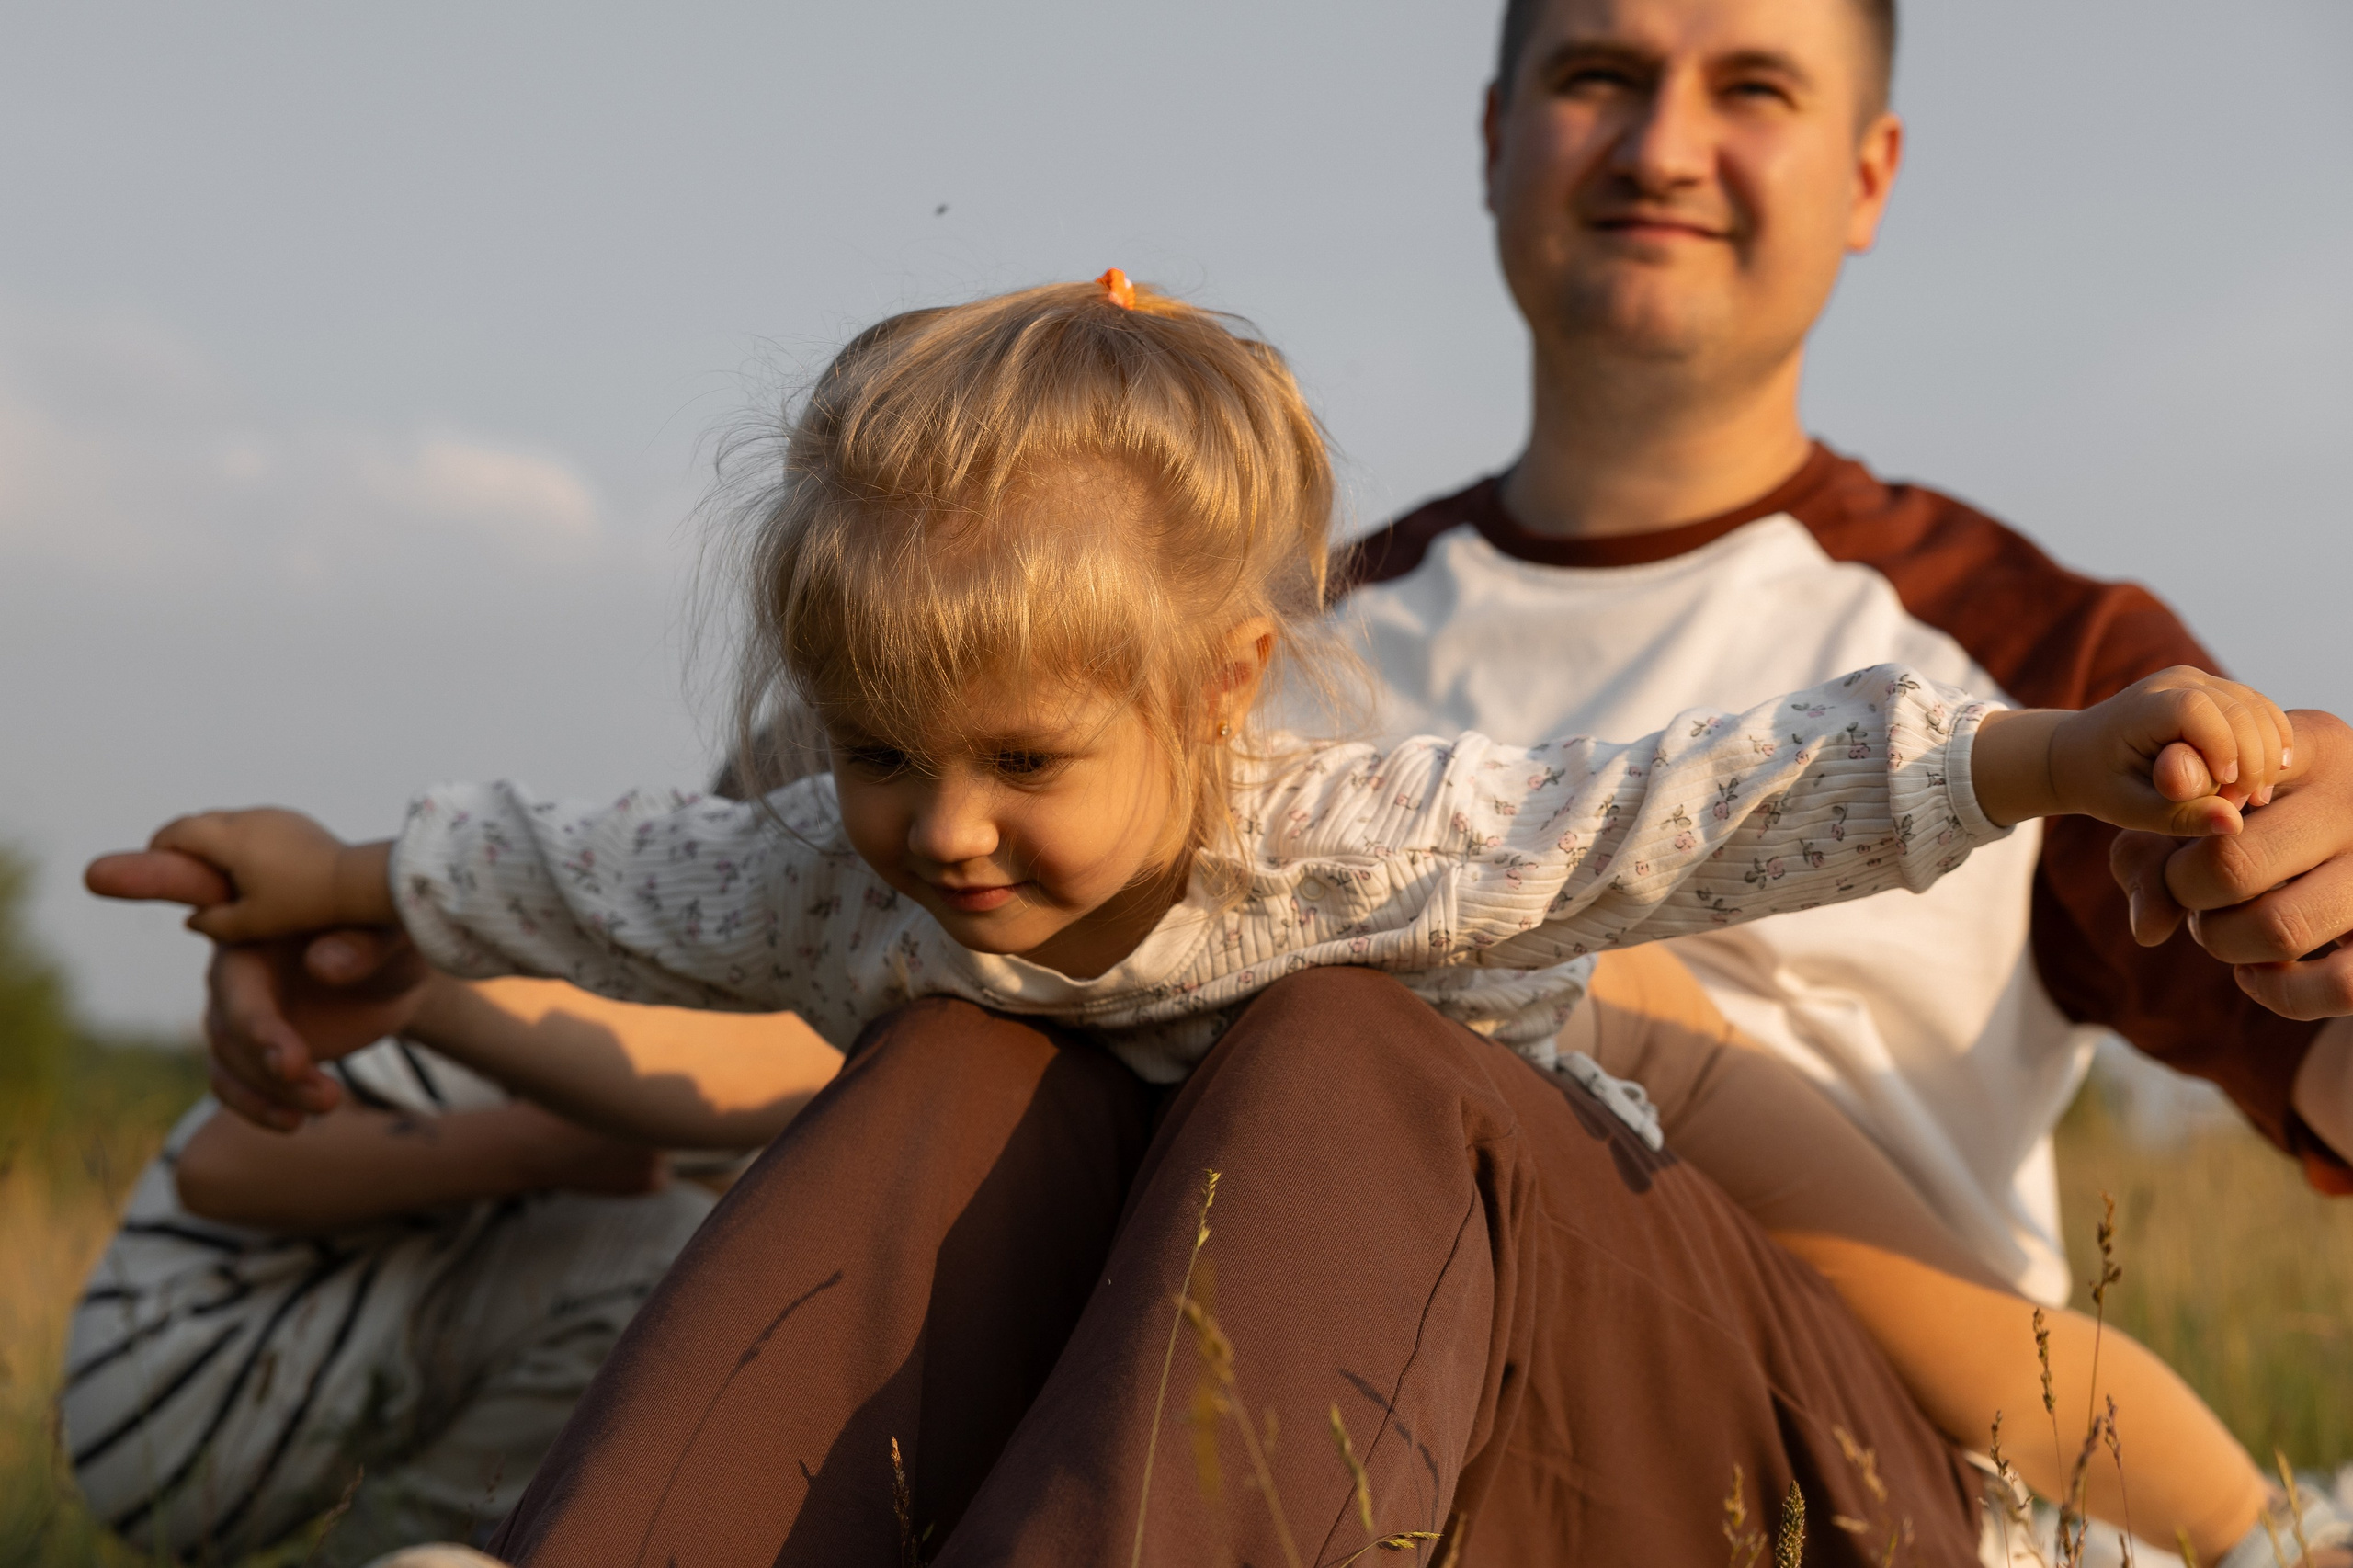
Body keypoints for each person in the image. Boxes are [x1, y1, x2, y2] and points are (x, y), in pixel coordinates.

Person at [91, 277, 2331, 1565]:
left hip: (1674, 1306)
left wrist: (2041, 753)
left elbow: (1684, 808)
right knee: (955, 1048)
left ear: (1218, 688)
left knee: (1334, 1039)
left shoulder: (1353, 829)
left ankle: (2230, 1532)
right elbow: (612, 878)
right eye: (879, 753)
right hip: (1231, 1323)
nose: (943, 830)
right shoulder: (913, 840)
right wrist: (364, 887)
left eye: (1017, 766)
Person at [1332, 0, 2353, 1311]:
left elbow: (2321, 1055)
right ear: (1492, 135)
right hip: (1352, 1448)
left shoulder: (2048, 666)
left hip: (1856, 1485)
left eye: (1753, 89)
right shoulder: (1271, 654)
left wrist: (2326, 891)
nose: (1664, 150)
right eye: (1601, 75)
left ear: (1868, 176)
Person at [63, 857, 838, 1565]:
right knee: (665, 1261)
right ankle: (428, 1549)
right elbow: (222, 1163)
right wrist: (548, 1146)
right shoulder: (560, 1009)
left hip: (239, 1405)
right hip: (180, 1394)